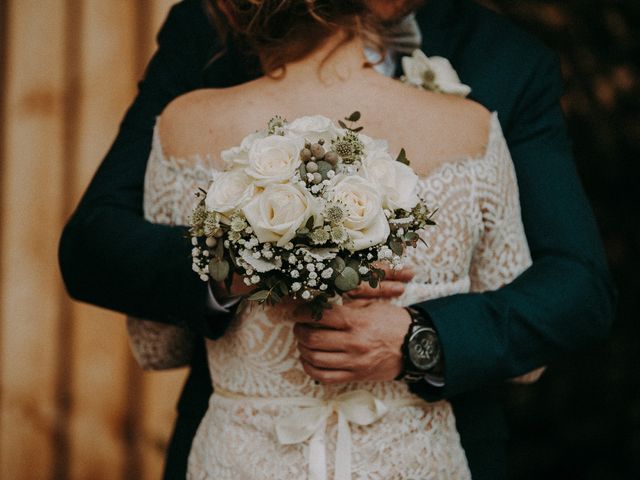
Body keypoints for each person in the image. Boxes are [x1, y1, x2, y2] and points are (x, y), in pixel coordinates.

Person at [58, 0, 615, 478]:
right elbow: (93, 243)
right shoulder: (220, 20)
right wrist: (234, 263)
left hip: (433, 447)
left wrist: (423, 340)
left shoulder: (506, 60)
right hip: (238, 449)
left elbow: (577, 284)